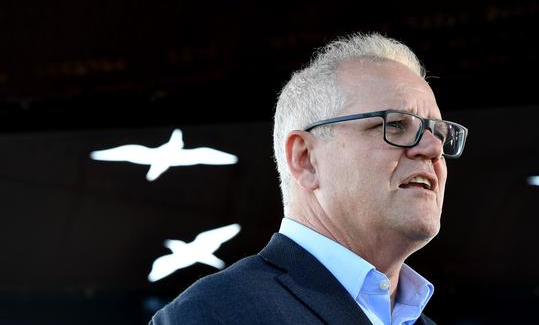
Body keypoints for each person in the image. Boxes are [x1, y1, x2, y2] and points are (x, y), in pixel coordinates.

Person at [150, 33, 468, 325]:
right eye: (397, 125)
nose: (433, 148)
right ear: (305, 159)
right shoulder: (210, 315)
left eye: (439, 132)